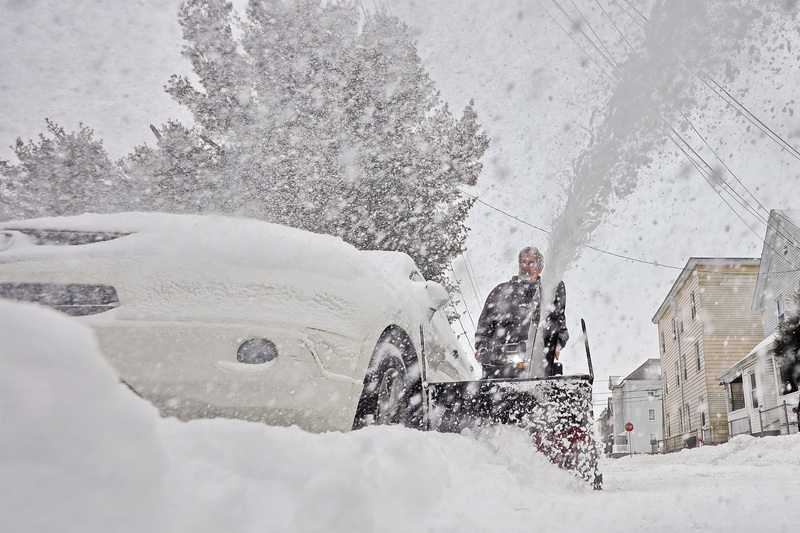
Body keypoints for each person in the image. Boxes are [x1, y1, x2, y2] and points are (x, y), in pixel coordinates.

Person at [474, 246, 569, 378]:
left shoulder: (548, 294)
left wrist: (556, 345)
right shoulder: (500, 292)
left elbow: (561, 329)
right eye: (522, 262)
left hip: (536, 364)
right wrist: (482, 347)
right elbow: (484, 326)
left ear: (540, 268)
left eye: (531, 263)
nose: (525, 266)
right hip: (500, 364)